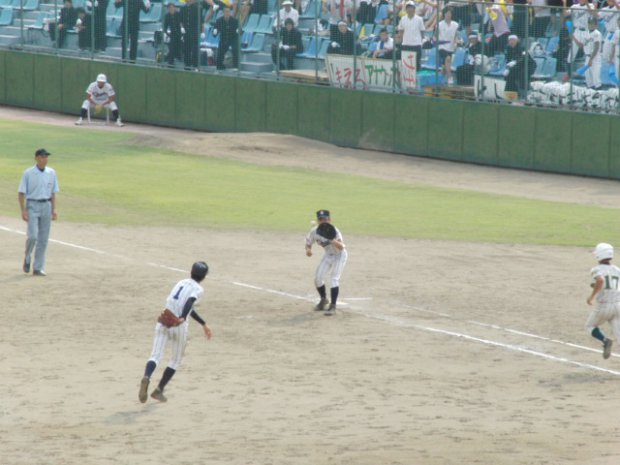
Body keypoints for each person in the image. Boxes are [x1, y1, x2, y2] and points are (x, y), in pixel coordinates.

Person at [138, 261, 213, 403]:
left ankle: (147, 376)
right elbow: (189, 302)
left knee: (155, 355)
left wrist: (203, 323)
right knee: (175, 360)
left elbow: (186, 305)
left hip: (164, 319)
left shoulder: (181, 282)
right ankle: (159, 389)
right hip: (178, 326)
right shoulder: (198, 289)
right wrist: (182, 318)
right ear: (203, 277)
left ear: (191, 272)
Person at [17, 148, 59, 277]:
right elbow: (21, 193)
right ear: (36, 158)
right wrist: (23, 210)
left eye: (46, 157)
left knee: (43, 239)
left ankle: (38, 268)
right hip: (32, 205)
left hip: (46, 205)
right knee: (33, 236)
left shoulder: (51, 172)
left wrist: (54, 209)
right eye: (42, 157)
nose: (44, 159)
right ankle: (28, 255)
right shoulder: (28, 173)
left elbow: (53, 192)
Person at [305, 210, 348, 316]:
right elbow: (308, 243)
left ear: (329, 219)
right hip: (328, 255)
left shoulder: (334, 231)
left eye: (325, 218)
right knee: (318, 278)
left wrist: (332, 239)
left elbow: (341, 247)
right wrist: (308, 250)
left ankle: (333, 306)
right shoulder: (314, 231)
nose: (323, 220)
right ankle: (324, 300)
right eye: (321, 219)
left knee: (334, 278)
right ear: (318, 220)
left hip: (340, 255)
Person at [586, 243, 620, 360]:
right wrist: (597, 285)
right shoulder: (617, 269)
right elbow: (612, 285)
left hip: (604, 307)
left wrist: (592, 296)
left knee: (590, 326)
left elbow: (600, 280)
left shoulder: (596, 269)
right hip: (617, 306)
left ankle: (605, 340)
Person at [566, 0, 596, 71]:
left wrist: (587, 3)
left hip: (587, 31)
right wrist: (564, 3)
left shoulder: (590, 5)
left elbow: (593, 13)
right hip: (577, 30)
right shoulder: (574, 6)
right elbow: (565, 14)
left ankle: (589, 73)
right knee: (571, 55)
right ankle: (569, 75)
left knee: (589, 53)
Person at [397, 1, 426, 71]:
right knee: (405, 64)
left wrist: (421, 40)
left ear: (414, 9)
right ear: (406, 9)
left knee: (416, 64)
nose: (409, 9)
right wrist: (401, 40)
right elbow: (400, 30)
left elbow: (422, 31)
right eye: (408, 8)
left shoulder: (419, 19)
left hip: (416, 45)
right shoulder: (403, 19)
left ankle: (416, 80)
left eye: (411, 7)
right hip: (406, 44)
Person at [438, 7, 460, 84]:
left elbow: (456, 36)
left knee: (445, 66)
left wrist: (456, 42)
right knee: (447, 59)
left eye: (449, 13)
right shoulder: (439, 24)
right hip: (442, 47)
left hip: (450, 48)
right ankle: (450, 78)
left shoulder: (455, 24)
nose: (448, 15)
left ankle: (440, 79)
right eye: (446, 13)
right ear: (444, 14)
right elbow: (435, 35)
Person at [584, 16, 602, 89]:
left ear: (596, 25)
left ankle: (598, 94)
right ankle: (590, 96)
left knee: (595, 78)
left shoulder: (597, 33)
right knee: (588, 77)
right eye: (589, 23)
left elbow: (596, 47)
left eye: (592, 24)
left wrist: (591, 59)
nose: (590, 25)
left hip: (595, 57)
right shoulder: (586, 32)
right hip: (587, 57)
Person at [164, 2, 183, 67]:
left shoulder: (179, 14)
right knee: (172, 47)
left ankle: (180, 58)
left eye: (172, 8)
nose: (171, 9)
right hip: (173, 34)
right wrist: (167, 33)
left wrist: (182, 29)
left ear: (175, 8)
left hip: (180, 33)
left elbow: (182, 23)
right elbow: (165, 27)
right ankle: (170, 62)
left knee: (179, 47)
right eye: (170, 8)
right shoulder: (167, 16)